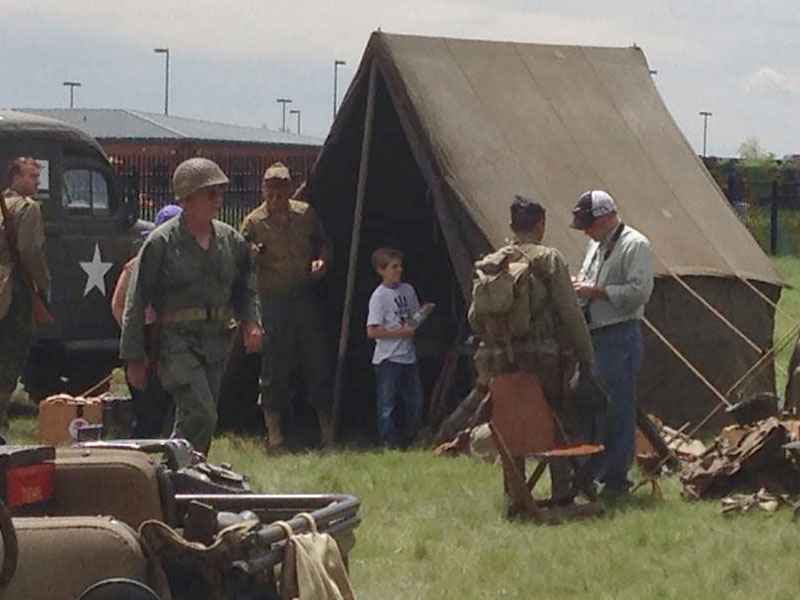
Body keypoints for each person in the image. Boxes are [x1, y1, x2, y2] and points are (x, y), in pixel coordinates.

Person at [120, 158, 263, 454]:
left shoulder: (230, 240)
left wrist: (251, 322)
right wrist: (134, 357)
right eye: (210, 194)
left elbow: (246, 288)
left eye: (219, 193)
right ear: (187, 198)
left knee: (201, 419)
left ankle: (186, 477)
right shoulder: (162, 242)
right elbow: (136, 300)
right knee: (202, 413)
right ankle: (175, 472)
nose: (218, 201)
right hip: (176, 341)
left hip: (215, 341)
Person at [470, 196, 595, 502]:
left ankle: (516, 493)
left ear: (512, 226)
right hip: (545, 358)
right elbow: (570, 312)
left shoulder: (495, 261)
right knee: (557, 421)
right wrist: (586, 355)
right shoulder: (549, 259)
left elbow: (474, 317)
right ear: (540, 225)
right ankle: (562, 493)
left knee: (511, 422)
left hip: (501, 358)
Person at [240, 162, 333, 449]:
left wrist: (322, 260)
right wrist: (252, 255)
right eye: (271, 188)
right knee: (274, 366)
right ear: (263, 189)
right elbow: (238, 259)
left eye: (281, 188)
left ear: (290, 189)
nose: (276, 195)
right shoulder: (254, 222)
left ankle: (326, 430)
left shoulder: (305, 215)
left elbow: (325, 243)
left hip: (304, 295)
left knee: (317, 360)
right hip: (273, 300)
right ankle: (274, 431)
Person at [571, 189, 654, 495]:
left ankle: (616, 479)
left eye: (590, 224)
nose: (587, 232)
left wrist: (598, 291)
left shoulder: (635, 244)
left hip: (620, 334)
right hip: (594, 335)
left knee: (617, 408)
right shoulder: (596, 246)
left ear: (607, 216)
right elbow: (588, 277)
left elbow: (639, 292)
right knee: (590, 404)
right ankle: (592, 471)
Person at [111, 204, 181, 438]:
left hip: (174, 343)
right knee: (148, 412)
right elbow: (118, 305)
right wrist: (136, 336)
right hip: (145, 343)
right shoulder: (135, 267)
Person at [0, 158, 51, 438]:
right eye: (32, 176)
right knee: (8, 361)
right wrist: (43, 285)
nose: (37, 182)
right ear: (15, 176)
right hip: (16, 291)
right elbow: (30, 251)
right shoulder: (27, 208)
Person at [366, 248, 433, 447]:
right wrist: (399, 334)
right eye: (393, 267)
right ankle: (389, 443)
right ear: (381, 270)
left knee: (415, 402)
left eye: (399, 266)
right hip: (388, 358)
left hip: (408, 356)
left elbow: (411, 322)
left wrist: (423, 313)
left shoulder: (408, 290)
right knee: (387, 406)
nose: (398, 271)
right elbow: (372, 331)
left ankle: (411, 439)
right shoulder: (379, 297)